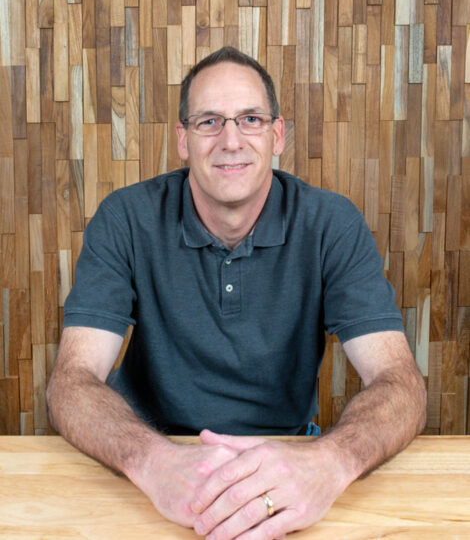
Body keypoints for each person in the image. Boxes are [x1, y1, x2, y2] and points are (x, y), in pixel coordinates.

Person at [47, 46, 427, 539]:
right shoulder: (126, 218)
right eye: (209, 122)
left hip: (289, 463)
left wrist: (330, 462)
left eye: (250, 119)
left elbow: (401, 384)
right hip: (146, 464)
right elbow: (71, 382)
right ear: (183, 140)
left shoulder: (331, 223)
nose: (230, 141)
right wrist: (154, 461)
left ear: (277, 135)